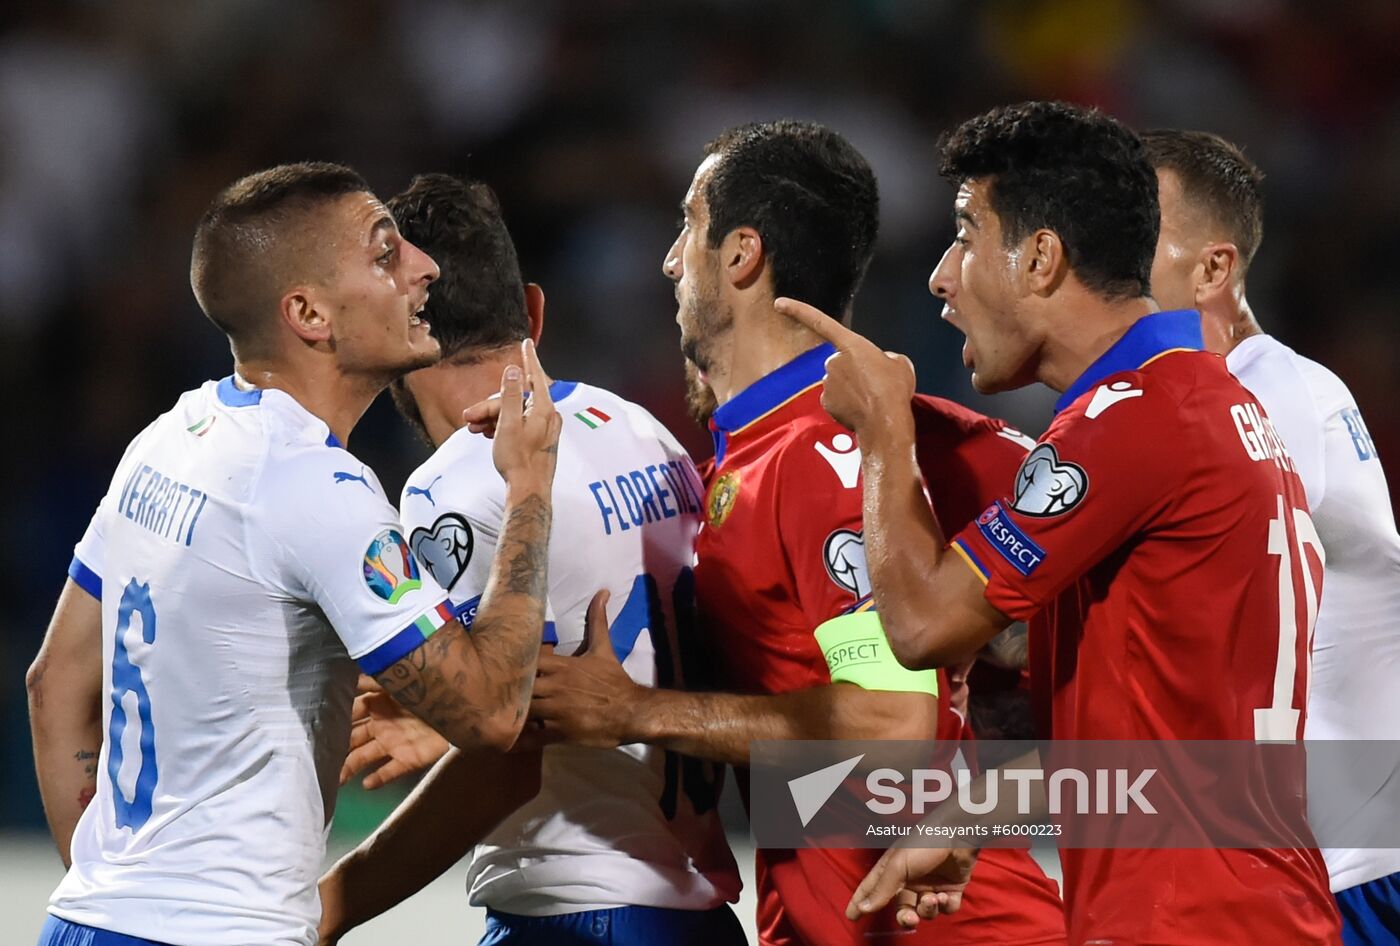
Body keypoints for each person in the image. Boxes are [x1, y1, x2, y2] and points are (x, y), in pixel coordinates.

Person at [775, 101, 1341, 944]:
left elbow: (923, 626)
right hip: (1253, 907)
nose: (941, 275)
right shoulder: (1213, 404)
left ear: (1041, 258)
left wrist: (884, 433)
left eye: (966, 235)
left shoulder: (1134, 417)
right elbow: (1166, 745)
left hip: (1184, 922)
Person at [525, 120, 1067, 945]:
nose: (671, 260)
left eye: (687, 226)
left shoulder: (826, 451)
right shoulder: (769, 450)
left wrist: (637, 712)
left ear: (741, 254)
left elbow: (893, 726)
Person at [25, 162, 563, 946]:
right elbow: (490, 715)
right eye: (386, 255)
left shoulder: (169, 439)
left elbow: (53, 682)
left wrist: (114, 891)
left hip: (85, 920)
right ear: (308, 312)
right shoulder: (318, 486)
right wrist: (530, 489)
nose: (425, 267)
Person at [317, 172, 744, 946]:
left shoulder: (454, 487)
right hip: (696, 910)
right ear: (534, 313)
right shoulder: (640, 428)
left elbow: (506, 760)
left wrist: (329, 910)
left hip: (574, 910)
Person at [1144, 127, 1400, 943]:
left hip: (1343, 874)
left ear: (1214, 268)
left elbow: (1178, 660)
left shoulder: (1263, 400)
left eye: (1132, 233)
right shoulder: (1218, 396)